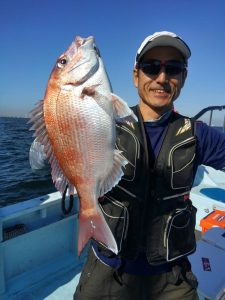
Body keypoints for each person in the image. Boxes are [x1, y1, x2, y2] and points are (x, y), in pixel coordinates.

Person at [73, 31, 225, 300]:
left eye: (173, 69)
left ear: (183, 78)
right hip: (108, 272)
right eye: (151, 67)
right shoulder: (106, 126)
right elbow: (61, 145)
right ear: (136, 76)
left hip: (172, 279)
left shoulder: (199, 135)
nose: (162, 78)